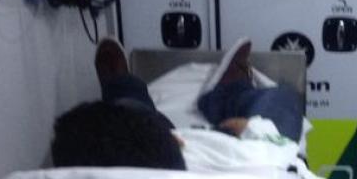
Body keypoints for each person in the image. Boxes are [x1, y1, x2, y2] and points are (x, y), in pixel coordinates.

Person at [93, 36, 304, 142]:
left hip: (169, 158)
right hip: (247, 162)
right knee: (284, 101)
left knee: (138, 128)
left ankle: (121, 89)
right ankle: (233, 93)